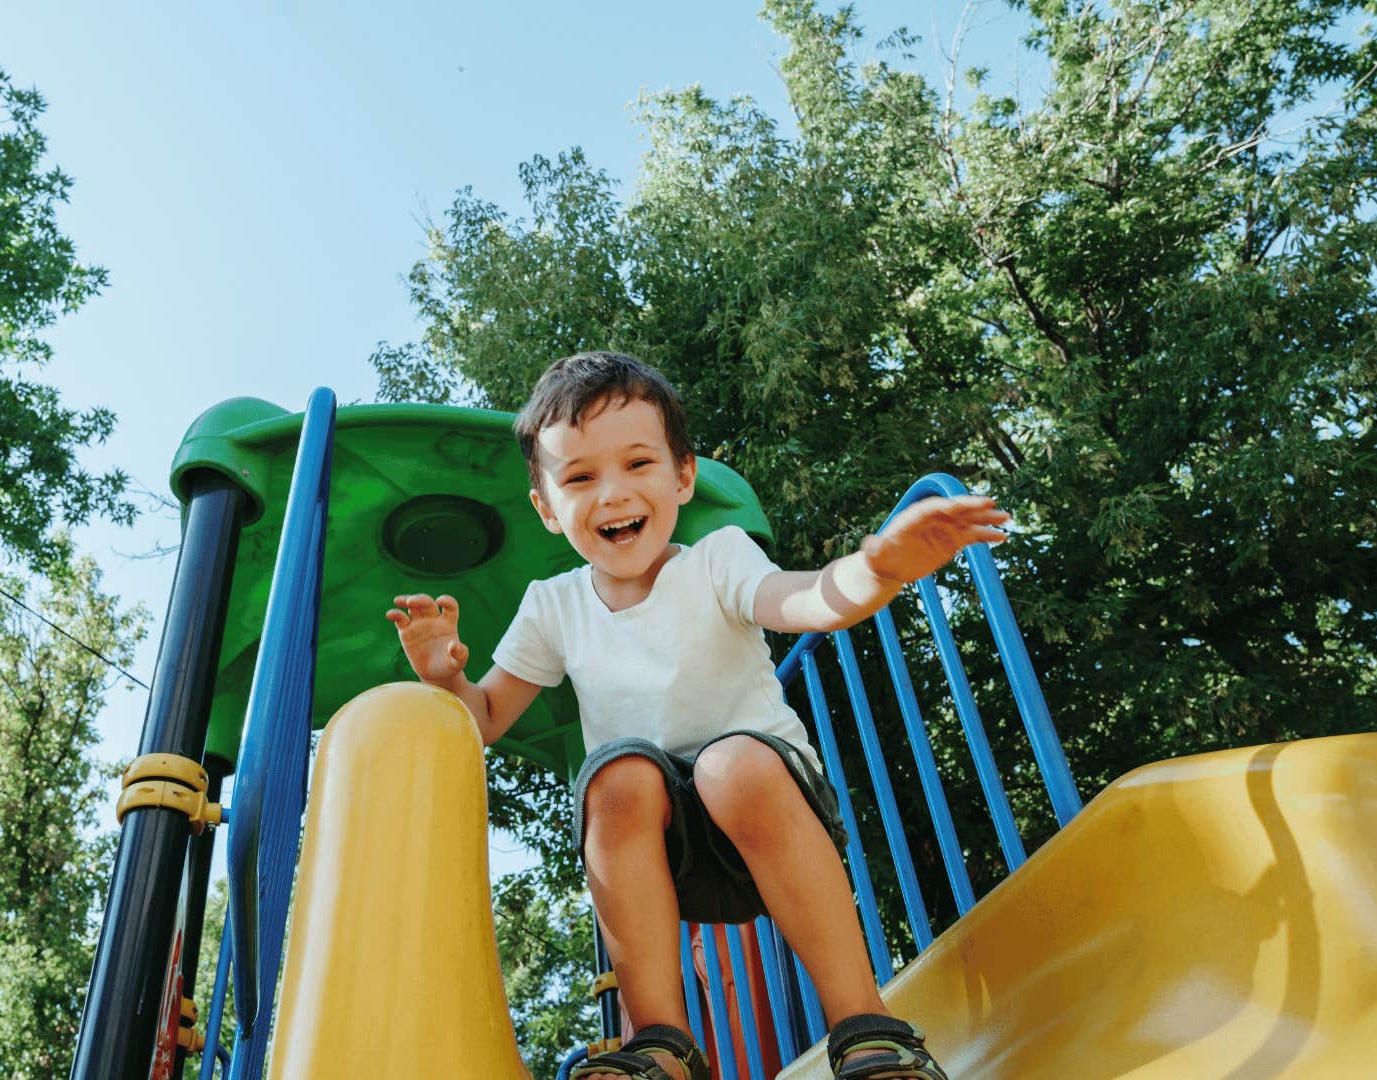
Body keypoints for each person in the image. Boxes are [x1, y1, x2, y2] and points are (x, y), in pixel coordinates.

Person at [386, 352, 1007, 1080]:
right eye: (580, 477)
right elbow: (483, 719)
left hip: (768, 815)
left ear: (683, 475)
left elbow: (802, 601)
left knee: (730, 762)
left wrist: (877, 569)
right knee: (615, 774)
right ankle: (661, 1044)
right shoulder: (552, 606)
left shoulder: (718, 560)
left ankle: (867, 1024)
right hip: (659, 855)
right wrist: (445, 676)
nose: (612, 494)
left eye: (638, 463)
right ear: (548, 509)